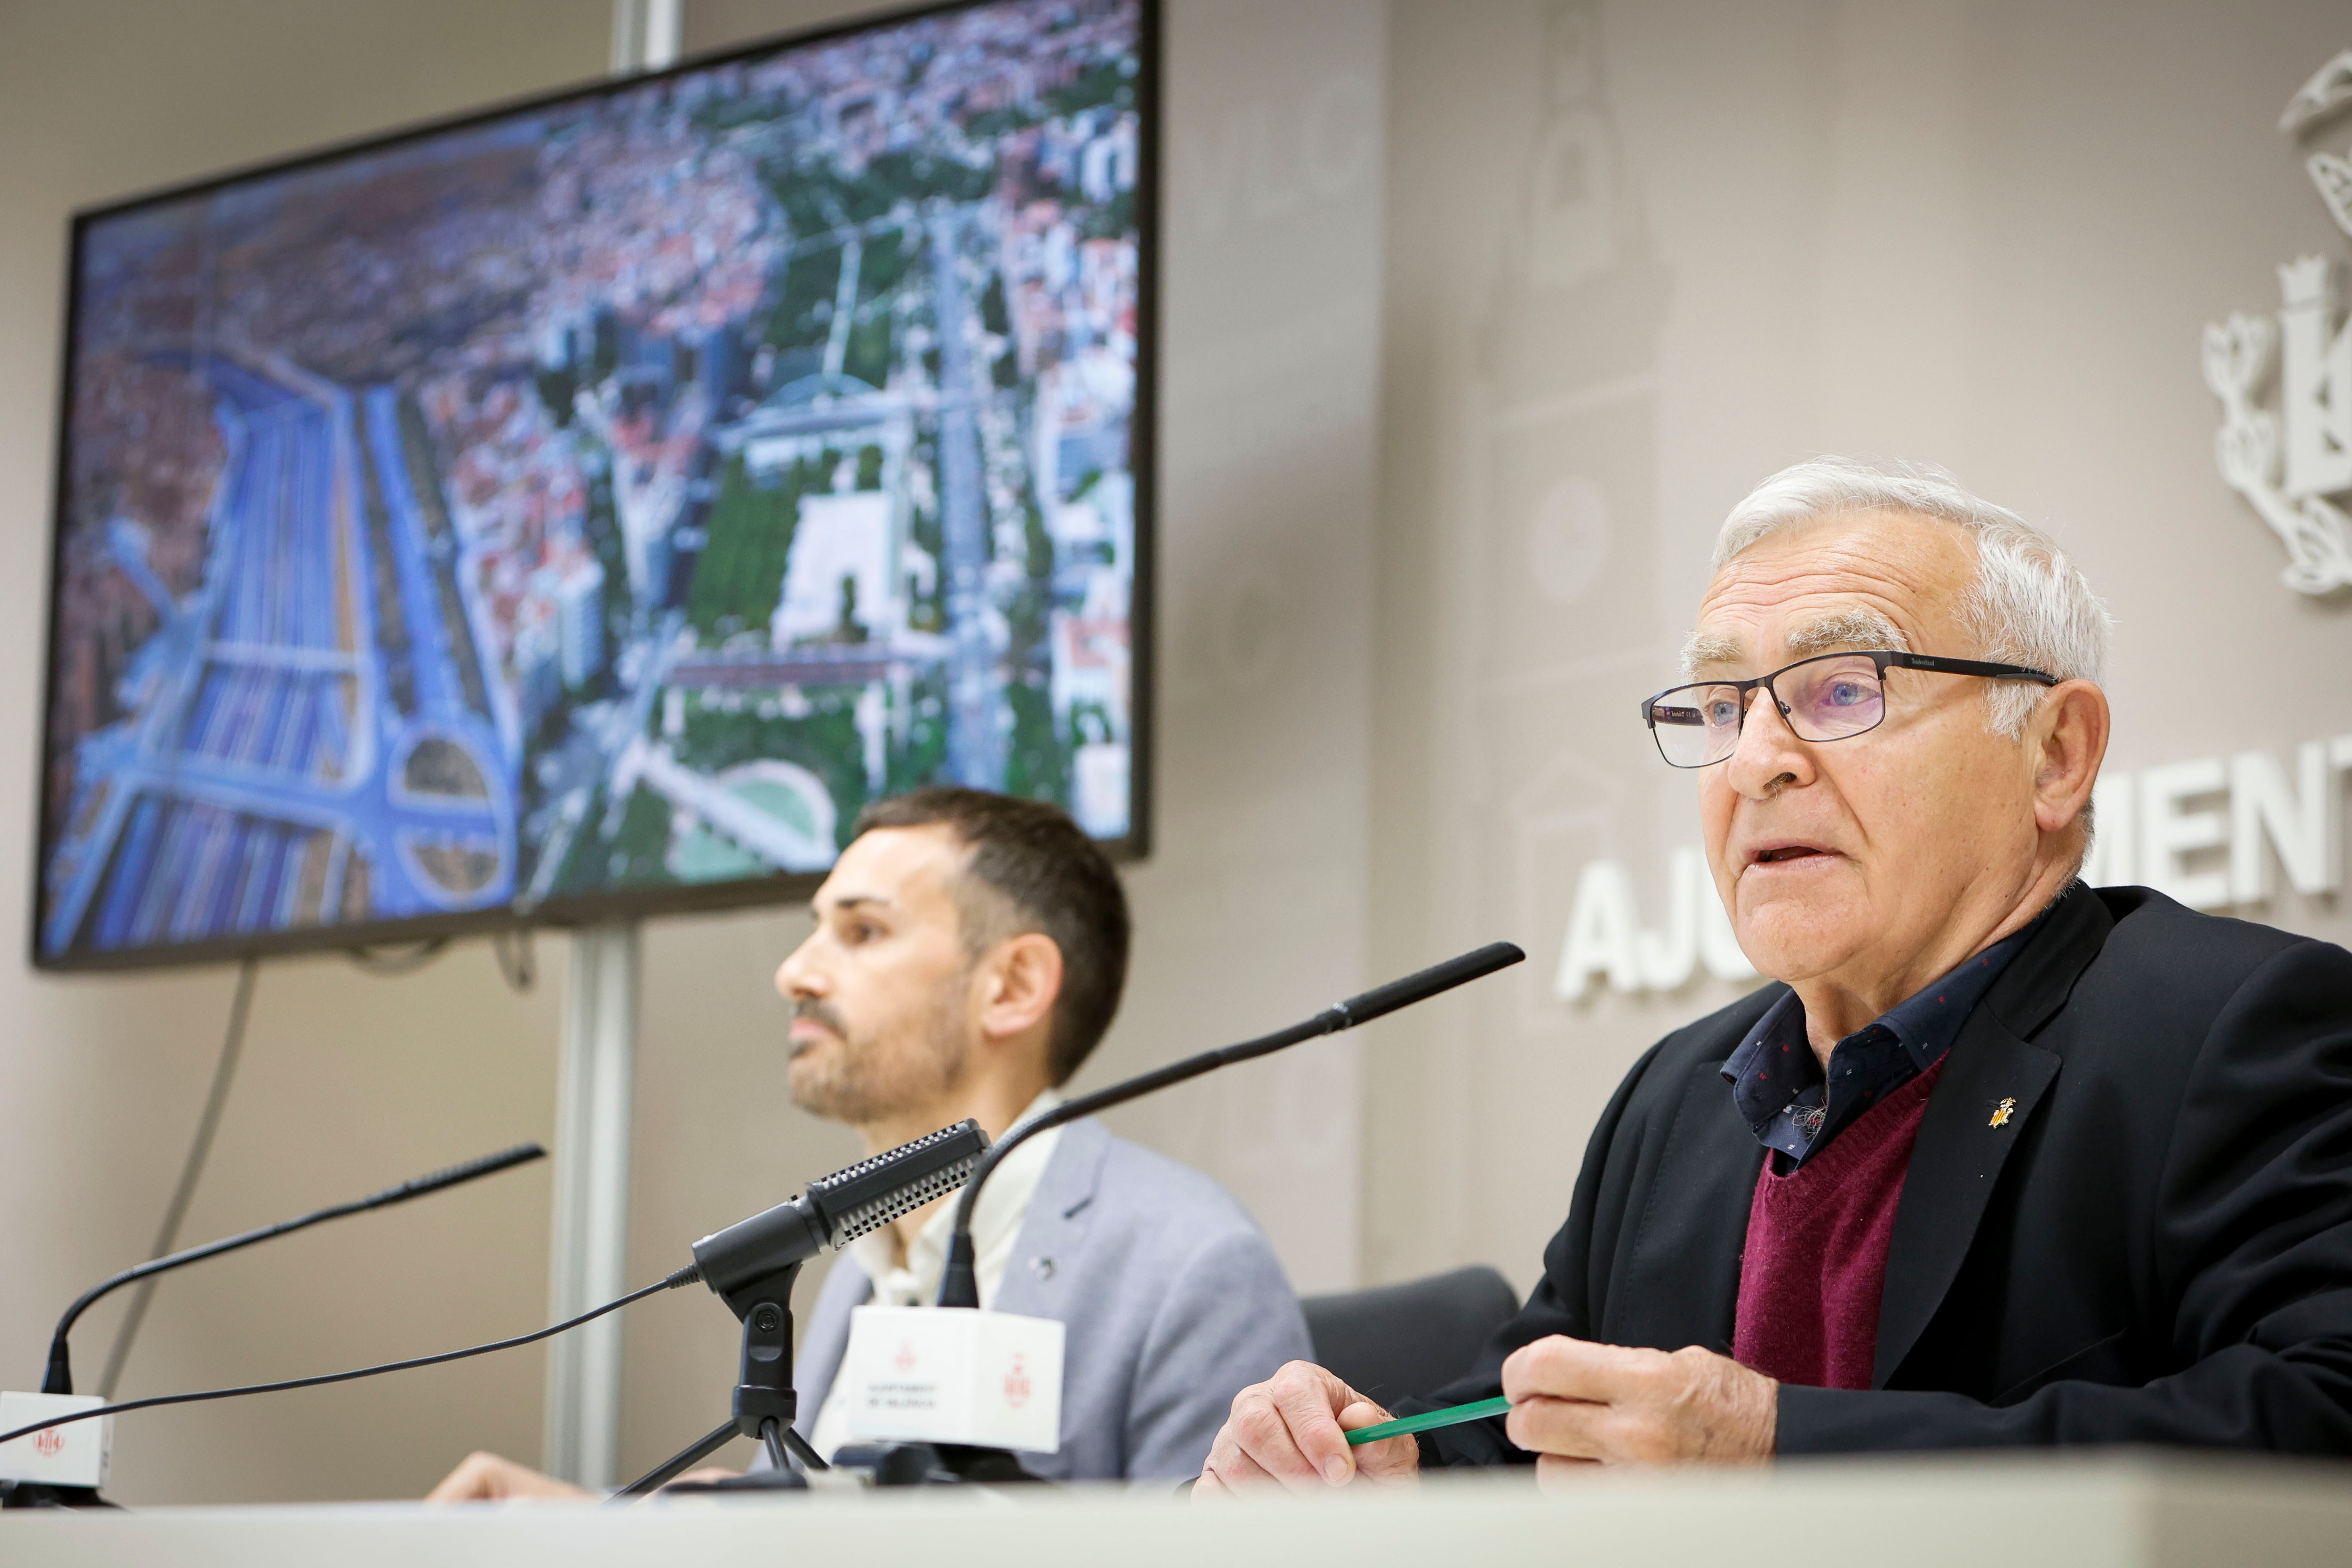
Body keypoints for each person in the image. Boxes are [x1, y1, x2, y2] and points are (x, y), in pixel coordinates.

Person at [1199, 456, 2352, 1493]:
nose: (1754, 761)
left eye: (1843, 688)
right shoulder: (1676, 1094)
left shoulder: (2233, 1028)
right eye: (1718, 705)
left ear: (2054, 753)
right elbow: (1527, 1425)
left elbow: (2318, 1415)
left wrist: (1774, 1450)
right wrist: (1384, 1465)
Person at [434, 787, 1309, 1500]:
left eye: (862, 931)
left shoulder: (1192, 1265)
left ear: (1012, 984)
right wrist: (579, 1534)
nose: (795, 971)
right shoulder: (862, 1264)